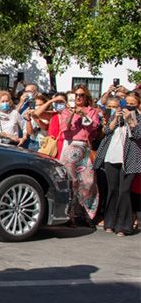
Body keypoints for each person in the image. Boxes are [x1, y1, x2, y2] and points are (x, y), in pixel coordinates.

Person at [48, 84, 99, 225]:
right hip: (69, 146)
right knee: (71, 182)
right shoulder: (65, 111)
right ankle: (69, 215)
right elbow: (65, 127)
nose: (78, 98)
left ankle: (85, 211)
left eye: (81, 95)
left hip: (84, 147)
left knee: (88, 182)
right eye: (76, 95)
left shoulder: (91, 111)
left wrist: (83, 114)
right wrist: (71, 113)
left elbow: (93, 127)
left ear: (86, 97)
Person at [93, 93, 141, 236]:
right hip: (111, 156)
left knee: (124, 191)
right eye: (127, 103)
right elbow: (106, 131)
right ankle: (110, 222)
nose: (129, 106)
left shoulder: (137, 118)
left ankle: (123, 226)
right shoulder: (116, 116)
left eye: (132, 104)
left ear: (138, 105)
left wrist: (130, 120)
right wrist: (116, 118)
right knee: (112, 189)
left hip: (129, 158)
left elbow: (138, 135)